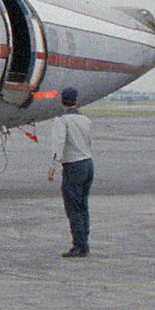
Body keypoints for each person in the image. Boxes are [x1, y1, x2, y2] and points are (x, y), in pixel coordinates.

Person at [45, 87, 94, 258]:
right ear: (76, 100)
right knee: (83, 205)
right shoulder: (86, 120)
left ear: (62, 101)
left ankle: (79, 245)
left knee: (72, 206)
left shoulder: (62, 120)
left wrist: (53, 165)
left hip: (73, 165)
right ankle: (84, 241)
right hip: (88, 163)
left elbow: (59, 143)